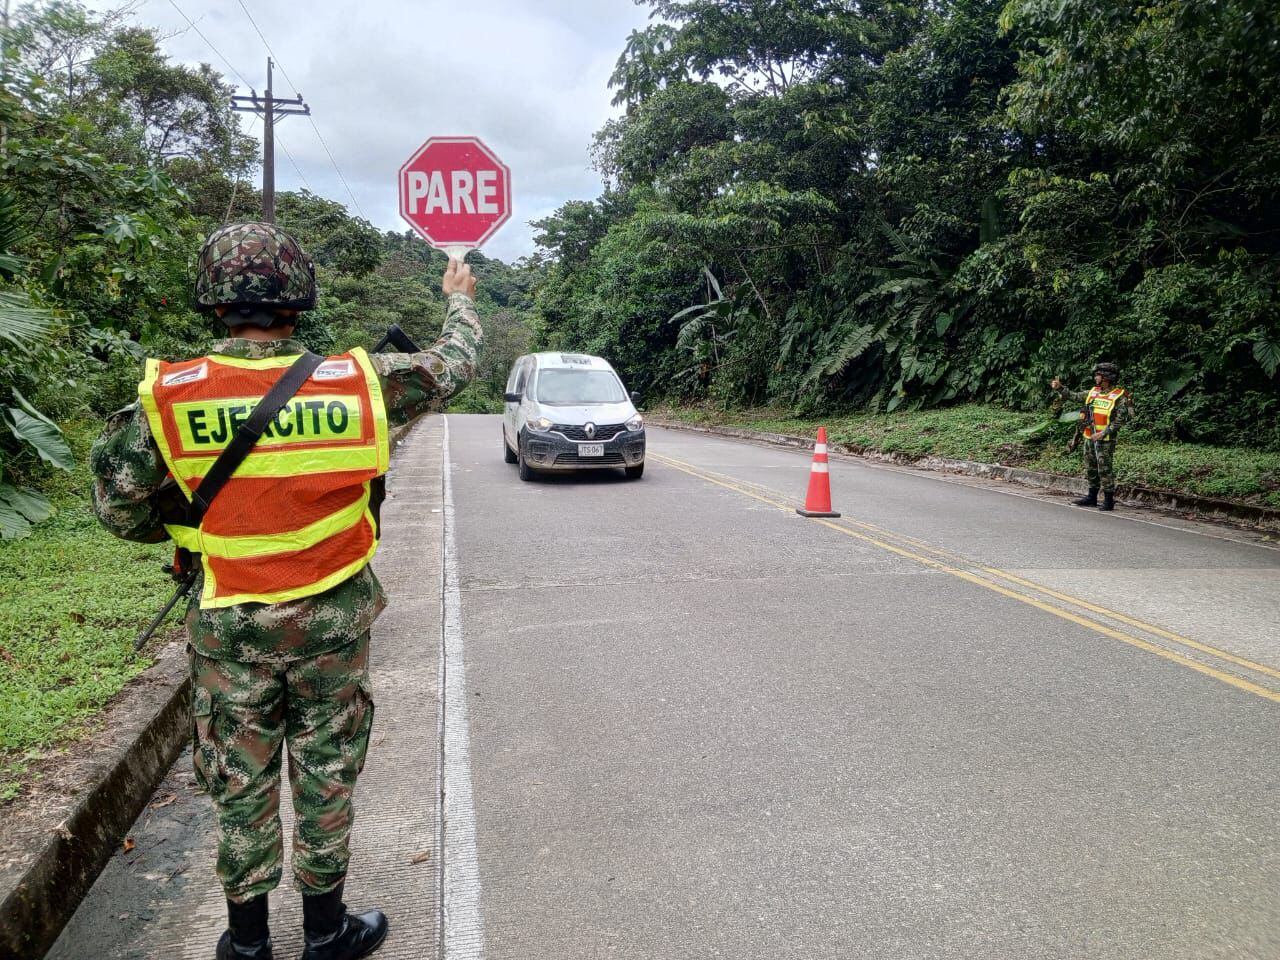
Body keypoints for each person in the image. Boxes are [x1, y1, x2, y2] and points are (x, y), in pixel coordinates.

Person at [90, 221, 482, 960]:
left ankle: (246, 945)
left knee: (240, 780)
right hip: (331, 627)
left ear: (213, 302)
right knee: (327, 773)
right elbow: (453, 364)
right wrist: (458, 299)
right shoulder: (356, 383)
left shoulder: (167, 398)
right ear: (299, 297)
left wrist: (196, 528)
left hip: (228, 628)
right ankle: (328, 933)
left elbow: (119, 509)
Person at [1051, 361, 1133, 512]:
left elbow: (1120, 421)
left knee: (1105, 469)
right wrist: (1060, 388)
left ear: (1106, 378)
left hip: (1105, 440)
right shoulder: (1093, 392)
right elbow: (1074, 396)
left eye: (1098, 375)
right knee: (1091, 467)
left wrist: (1103, 433)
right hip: (1089, 436)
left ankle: (1109, 500)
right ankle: (1091, 497)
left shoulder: (1119, 397)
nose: (1096, 378)